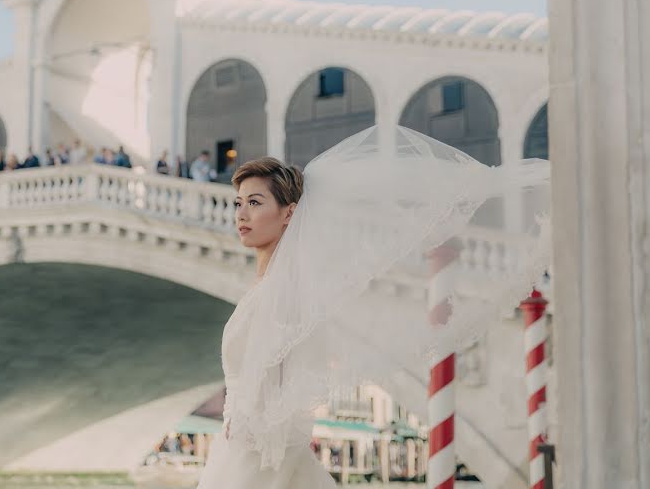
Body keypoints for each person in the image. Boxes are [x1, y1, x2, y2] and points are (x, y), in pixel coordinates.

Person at [195, 125, 552, 489]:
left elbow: (284, 389)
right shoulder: (266, 289)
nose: (241, 214)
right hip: (243, 451)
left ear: (289, 213)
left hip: (255, 459)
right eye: (238, 203)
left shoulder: (285, 295)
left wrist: (250, 439)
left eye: (255, 203)